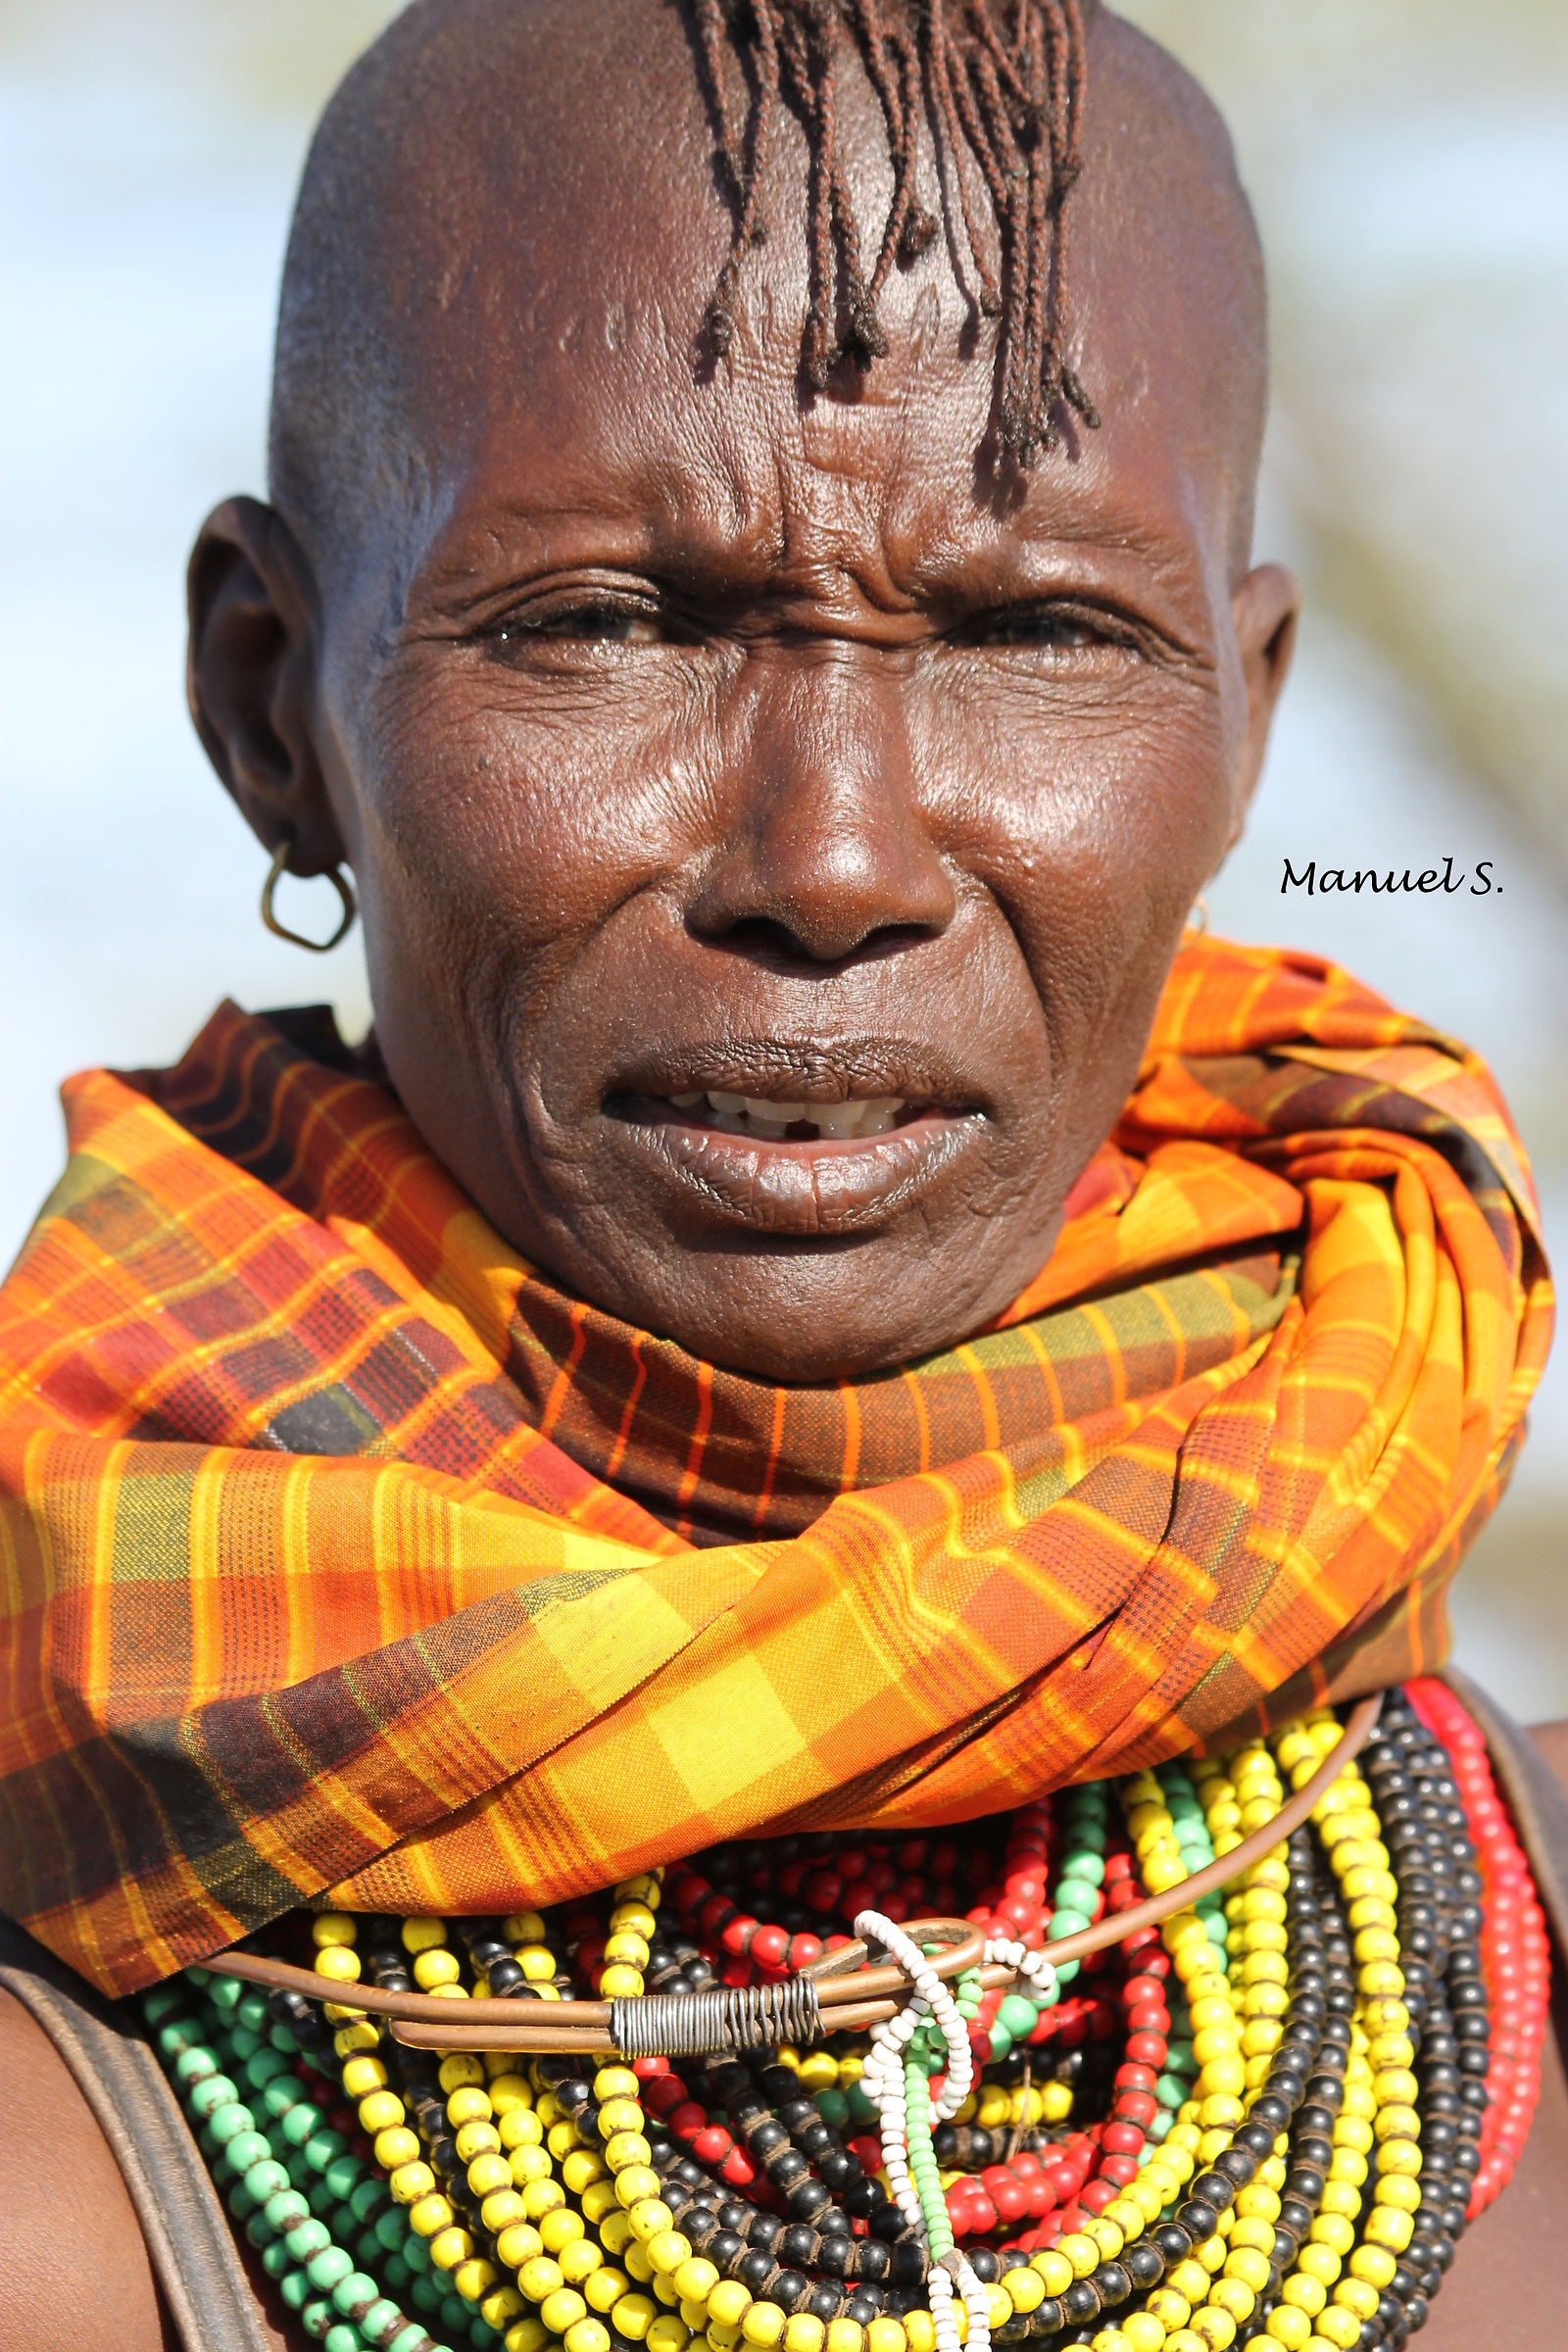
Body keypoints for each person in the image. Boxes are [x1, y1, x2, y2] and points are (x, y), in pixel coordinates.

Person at [0, 6, 1559, 2350]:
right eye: (610, 626)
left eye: (1036, 632)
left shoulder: (1512, 1952)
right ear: (269, 703)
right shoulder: (58, 2110)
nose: (832, 863)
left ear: (1238, 720)